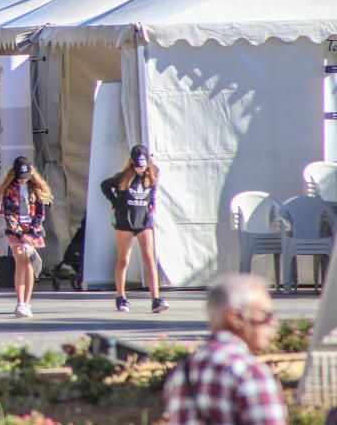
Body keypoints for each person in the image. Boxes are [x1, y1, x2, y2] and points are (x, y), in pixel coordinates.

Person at [164, 273, 285, 425]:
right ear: (235, 317)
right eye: (265, 315)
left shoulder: (183, 372)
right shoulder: (250, 373)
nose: (274, 323)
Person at [101, 144, 169, 314]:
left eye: (143, 165)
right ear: (132, 162)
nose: (141, 169)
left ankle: (156, 298)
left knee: (149, 259)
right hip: (125, 222)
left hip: (144, 222)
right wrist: (115, 203)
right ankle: (121, 297)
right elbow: (104, 185)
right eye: (138, 165)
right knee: (124, 259)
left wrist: (152, 204)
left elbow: (152, 192)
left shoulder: (153, 174)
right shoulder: (123, 178)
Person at [0, 156, 52, 318]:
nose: (23, 181)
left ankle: (26, 303)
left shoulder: (36, 189)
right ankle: (20, 302)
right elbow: (9, 215)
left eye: (25, 178)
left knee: (28, 264)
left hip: (33, 232)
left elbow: (41, 214)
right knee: (20, 261)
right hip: (15, 232)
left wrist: (31, 231)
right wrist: (21, 234)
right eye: (20, 178)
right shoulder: (9, 190)